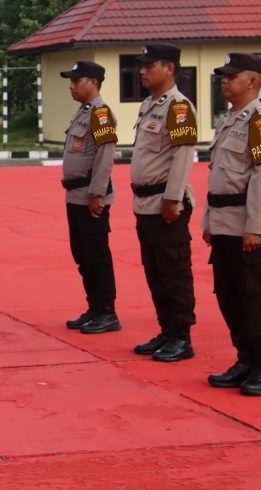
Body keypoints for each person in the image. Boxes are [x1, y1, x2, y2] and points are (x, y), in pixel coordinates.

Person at [202, 53, 261, 396]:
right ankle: (245, 358)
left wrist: (257, 227)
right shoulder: (228, 121)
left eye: (231, 75)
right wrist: (209, 220)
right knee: (229, 293)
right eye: (223, 75)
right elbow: (216, 177)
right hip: (223, 224)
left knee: (256, 296)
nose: (224, 80)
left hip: (247, 227)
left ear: (252, 81)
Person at [130, 43, 198, 362]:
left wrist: (173, 198)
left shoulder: (179, 107)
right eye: (142, 66)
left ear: (169, 68)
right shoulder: (149, 105)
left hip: (165, 204)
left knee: (174, 271)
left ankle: (181, 336)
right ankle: (167, 329)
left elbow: (182, 154)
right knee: (155, 271)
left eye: (149, 65)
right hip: (145, 204)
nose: (142, 71)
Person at [60, 61, 121, 334]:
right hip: (75, 195)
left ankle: (107, 311)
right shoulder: (83, 112)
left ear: (93, 82)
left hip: (90, 197)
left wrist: (97, 193)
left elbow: (105, 156)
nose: (72, 86)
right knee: (82, 253)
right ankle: (94, 307)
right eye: (71, 81)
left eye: (77, 80)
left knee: (96, 254)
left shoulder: (101, 114)